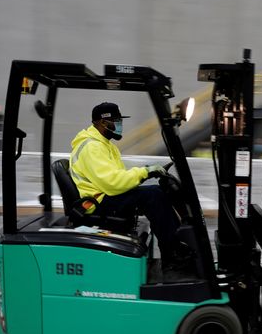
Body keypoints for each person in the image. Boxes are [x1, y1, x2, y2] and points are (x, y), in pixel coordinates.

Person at [70, 102, 183, 266]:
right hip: (97, 202)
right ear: (102, 122)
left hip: (104, 196)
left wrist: (145, 173)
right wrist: (145, 172)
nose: (120, 125)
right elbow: (112, 183)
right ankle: (172, 253)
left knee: (157, 192)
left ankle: (175, 244)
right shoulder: (92, 147)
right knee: (153, 195)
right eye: (116, 121)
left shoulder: (104, 145)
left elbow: (118, 178)